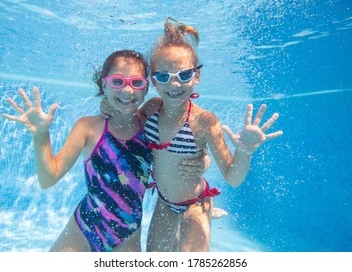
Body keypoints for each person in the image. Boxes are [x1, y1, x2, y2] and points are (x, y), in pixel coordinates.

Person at [102, 17, 283, 252]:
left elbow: (233, 177)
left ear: (197, 76)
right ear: (154, 81)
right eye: (164, 76)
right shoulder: (150, 110)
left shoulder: (205, 122)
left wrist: (244, 152)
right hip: (165, 202)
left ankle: (209, 211)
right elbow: (124, 126)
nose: (174, 85)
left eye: (184, 75)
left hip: (196, 202)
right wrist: (106, 107)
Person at [3, 50, 154, 252]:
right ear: (104, 85)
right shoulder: (88, 128)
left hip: (128, 239)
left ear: (146, 88)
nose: (127, 90)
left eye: (136, 83)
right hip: (84, 229)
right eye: (117, 82)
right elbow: (48, 179)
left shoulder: (151, 127)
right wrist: (41, 135)